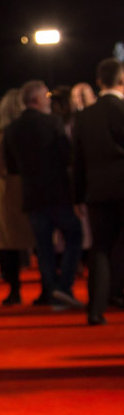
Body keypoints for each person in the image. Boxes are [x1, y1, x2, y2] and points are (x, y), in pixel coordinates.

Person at [3, 80, 84, 308]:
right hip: (57, 194)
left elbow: (12, 167)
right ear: (37, 99)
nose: (49, 101)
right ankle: (63, 286)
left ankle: (51, 292)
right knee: (74, 235)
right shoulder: (53, 123)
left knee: (44, 248)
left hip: (31, 196)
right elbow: (67, 156)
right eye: (46, 97)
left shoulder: (12, 128)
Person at [72, 59, 124, 325]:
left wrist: (79, 196)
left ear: (99, 81)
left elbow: (78, 160)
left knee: (100, 249)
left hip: (97, 192)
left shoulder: (85, 116)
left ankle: (95, 310)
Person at [0, 89, 35, 305]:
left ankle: (15, 289)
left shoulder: (4, 133)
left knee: (10, 242)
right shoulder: (35, 128)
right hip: (31, 187)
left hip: (10, 190)